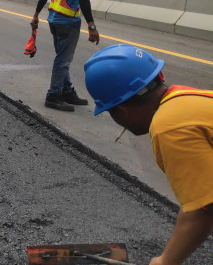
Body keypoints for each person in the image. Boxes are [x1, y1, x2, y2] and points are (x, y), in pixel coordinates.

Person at [84, 44, 213, 265]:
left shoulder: (168, 126)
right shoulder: (186, 98)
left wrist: (166, 261)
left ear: (121, 111)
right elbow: (199, 200)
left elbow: (205, 210)